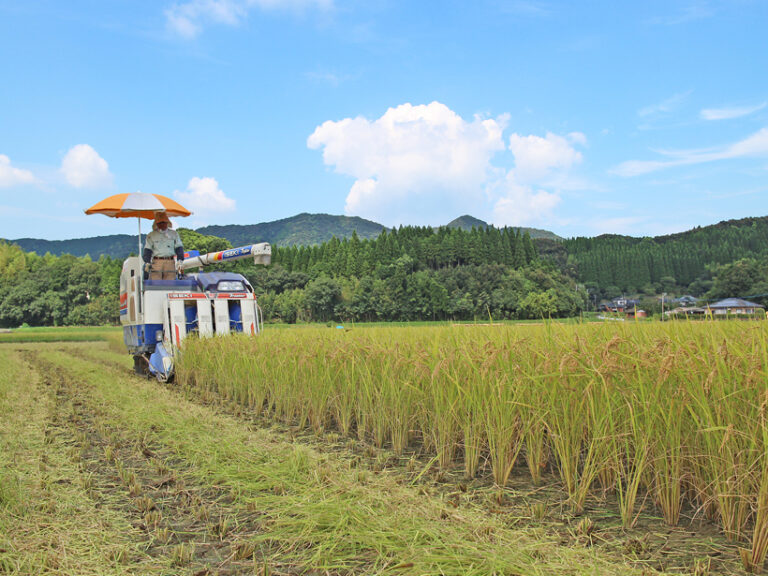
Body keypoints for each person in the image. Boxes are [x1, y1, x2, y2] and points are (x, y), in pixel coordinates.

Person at [143, 212, 184, 280]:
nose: (162, 224)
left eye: (164, 222)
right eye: (160, 223)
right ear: (157, 224)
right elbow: (148, 250)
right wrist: (147, 262)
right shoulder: (151, 235)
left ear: (167, 223)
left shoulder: (174, 234)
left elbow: (179, 247)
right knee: (156, 284)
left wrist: (180, 260)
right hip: (156, 262)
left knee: (170, 284)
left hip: (170, 261)